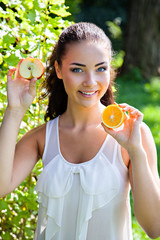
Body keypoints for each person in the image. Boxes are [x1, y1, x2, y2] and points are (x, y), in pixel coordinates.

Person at [0, 22, 160, 240]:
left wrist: (136, 152)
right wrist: (15, 110)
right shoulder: (42, 137)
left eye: (100, 69)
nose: (90, 82)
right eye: (77, 69)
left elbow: (155, 228)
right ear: (58, 69)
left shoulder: (134, 134)